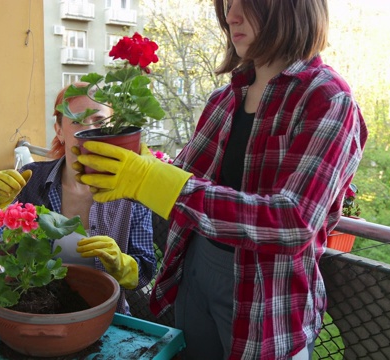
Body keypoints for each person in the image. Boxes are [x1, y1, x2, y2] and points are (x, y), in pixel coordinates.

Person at [72, 0, 368, 358]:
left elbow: (294, 221)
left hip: (265, 296)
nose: (231, 16)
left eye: (247, 3)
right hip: (195, 269)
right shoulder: (224, 99)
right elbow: (184, 182)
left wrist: (154, 180)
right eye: (228, 3)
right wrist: (126, 172)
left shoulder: (327, 98)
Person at [0, 82, 156, 315]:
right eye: (76, 121)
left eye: (98, 121)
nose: (88, 131)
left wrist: (121, 264)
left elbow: (144, 272)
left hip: (106, 317)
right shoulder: (30, 180)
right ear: (59, 130)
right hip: (33, 314)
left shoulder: (130, 194)